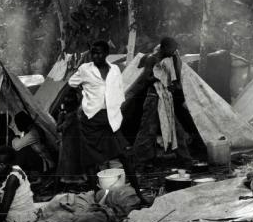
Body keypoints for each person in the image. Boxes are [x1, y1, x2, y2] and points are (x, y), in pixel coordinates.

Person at [67, 40, 144, 199]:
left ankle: (138, 192)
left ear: (106, 54)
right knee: (89, 160)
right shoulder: (85, 69)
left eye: (99, 53)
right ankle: (96, 196)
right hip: (91, 119)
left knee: (124, 155)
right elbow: (71, 83)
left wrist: (116, 107)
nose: (96, 56)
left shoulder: (115, 69)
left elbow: (119, 90)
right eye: (93, 53)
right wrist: (85, 97)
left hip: (110, 119)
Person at [132, 37, 192, 167]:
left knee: (176, 129)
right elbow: (145, 80)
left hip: (166, 99)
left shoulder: (171, 59)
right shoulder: (151, 59)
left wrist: (172, 84)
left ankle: (186, 160)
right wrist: (160, 75)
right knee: (148, 131)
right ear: (164, 48)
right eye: (172, 49)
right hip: (153, 98)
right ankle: (140, 162)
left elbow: (174, 82)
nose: (174, 52)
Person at [56, 91, 84, 185]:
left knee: (71, 159)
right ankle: (70, 178)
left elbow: (60, 128)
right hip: (71, 141)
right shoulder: (73, 115)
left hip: (71, 141)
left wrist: (61, 118)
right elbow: (59, 128)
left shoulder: (71, 115)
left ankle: (70, 178)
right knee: (71, 159)